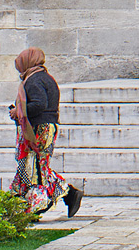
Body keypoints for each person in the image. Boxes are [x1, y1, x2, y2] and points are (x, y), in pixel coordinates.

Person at [8, 48, 83, 217]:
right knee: (36, 165)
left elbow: (39, 104)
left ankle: (43, 201)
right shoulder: (45, 77)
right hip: (46, 127)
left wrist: (18, 112)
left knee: (35, 166)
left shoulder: (34, 80)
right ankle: (66, 195)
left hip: (38, 129)